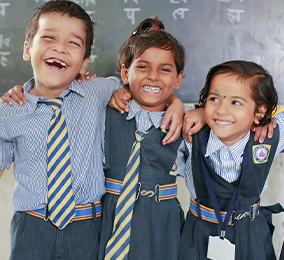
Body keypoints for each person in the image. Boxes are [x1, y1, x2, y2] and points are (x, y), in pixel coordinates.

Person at [0, 2, 185, 259]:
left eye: (73, 43)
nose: (59, 47)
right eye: (49, 37)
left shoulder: (100, 91)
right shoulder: (9, 110)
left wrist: (177, 104)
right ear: (27, 49)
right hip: (32, 227)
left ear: (84, 63)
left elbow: (146, 92)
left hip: (88, 227)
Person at [98, 17, 188, 260]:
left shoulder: (186, 124)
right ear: (126, 73)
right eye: (143, 67)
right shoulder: (106, 111)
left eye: (165, 69)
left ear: (178, 79)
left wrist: (180, 104)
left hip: (163, 223)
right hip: (110, 216)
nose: (153, 76)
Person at [178, 60, 284, 260]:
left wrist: (268, 119)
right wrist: (187, 107)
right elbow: (152, 107)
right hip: (197, 235)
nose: (221, 110)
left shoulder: (267, 137)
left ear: (259, 111)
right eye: (214, 99)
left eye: (235, 102)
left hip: (251, 234)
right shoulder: (190, 132)